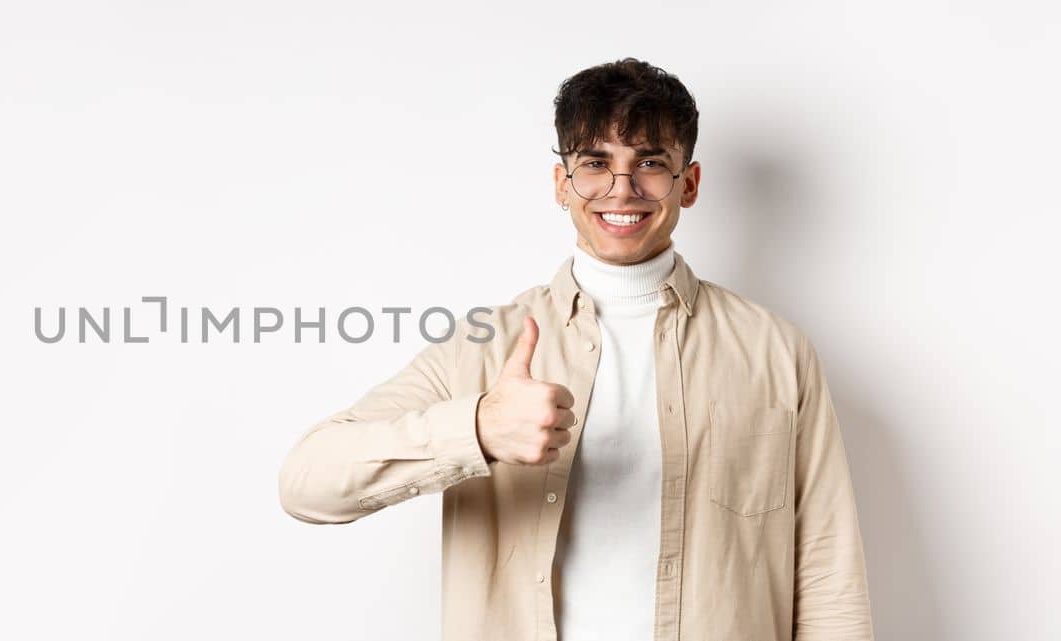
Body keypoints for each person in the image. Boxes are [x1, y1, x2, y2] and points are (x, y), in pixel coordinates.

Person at [276, 57, 874, 641]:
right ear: (563, 184)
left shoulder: (774, 349)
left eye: (650, 163)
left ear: (687, 184)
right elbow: (306, 482)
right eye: (595, 163)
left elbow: (827, 571)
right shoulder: (488, 345)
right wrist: (477, 430)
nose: (623, 188)